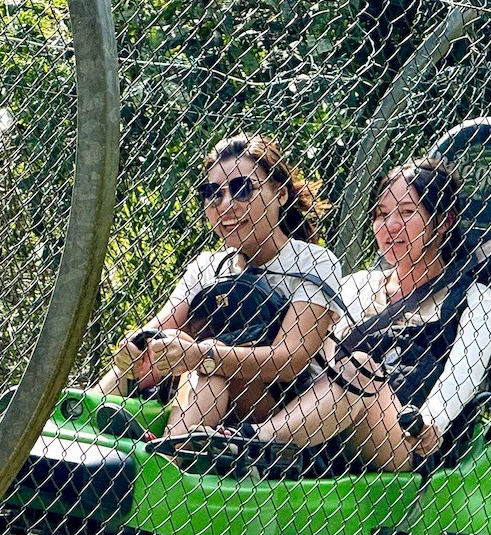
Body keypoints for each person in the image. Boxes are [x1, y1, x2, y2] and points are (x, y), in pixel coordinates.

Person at [240, 158, 491, 472]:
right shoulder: (356, 286)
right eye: (381, 214)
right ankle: (187, 446)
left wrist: (433, 420)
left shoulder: (475, 299)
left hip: (405, 439)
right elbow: (314, 363)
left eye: (407, 213)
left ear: (443, 221)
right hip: (322, 421)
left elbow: (463, 377)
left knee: (360, 367)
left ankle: (249, 446)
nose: (391, 226)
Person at [96, 134, 343, 438]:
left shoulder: (313, 261)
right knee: (166, 344)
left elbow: (291, 359)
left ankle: (169, 453)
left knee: (211, 360)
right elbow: (159, 329)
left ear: (280, 194)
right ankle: (82, 423)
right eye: (213, 192)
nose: (225, 204)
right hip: (209, 389)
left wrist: (203, 354)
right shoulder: (206, 265)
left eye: (242, 189)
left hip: (279, 409)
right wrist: (134, 348)